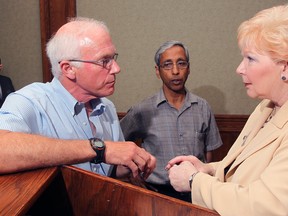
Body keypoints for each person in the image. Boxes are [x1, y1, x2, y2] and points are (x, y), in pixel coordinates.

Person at [166, 4, 288, 216]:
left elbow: (266, 206)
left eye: (250, 58)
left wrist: (195, 180)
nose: (239, 68)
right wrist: (209, 169)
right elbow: (245, 168)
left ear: (285, 67)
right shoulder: (265, 107)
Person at [0, 17, 156, 180]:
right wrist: (100, 149)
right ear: (68, 69)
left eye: (113, 58)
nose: (116, 69)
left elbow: (105, 172)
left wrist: (128, 166)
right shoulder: (30, 101)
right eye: (104, 61)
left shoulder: (107, 107)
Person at [120, 40, 222, 202]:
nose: (175, 71)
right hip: (155, 194)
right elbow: (119, 145)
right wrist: (132, 175)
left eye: (181, 63)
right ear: (157, 71)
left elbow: (209, 154)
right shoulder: (143, 110)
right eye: (167, 65)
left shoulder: (203, 107)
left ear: (188, 68)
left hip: (195, 194)